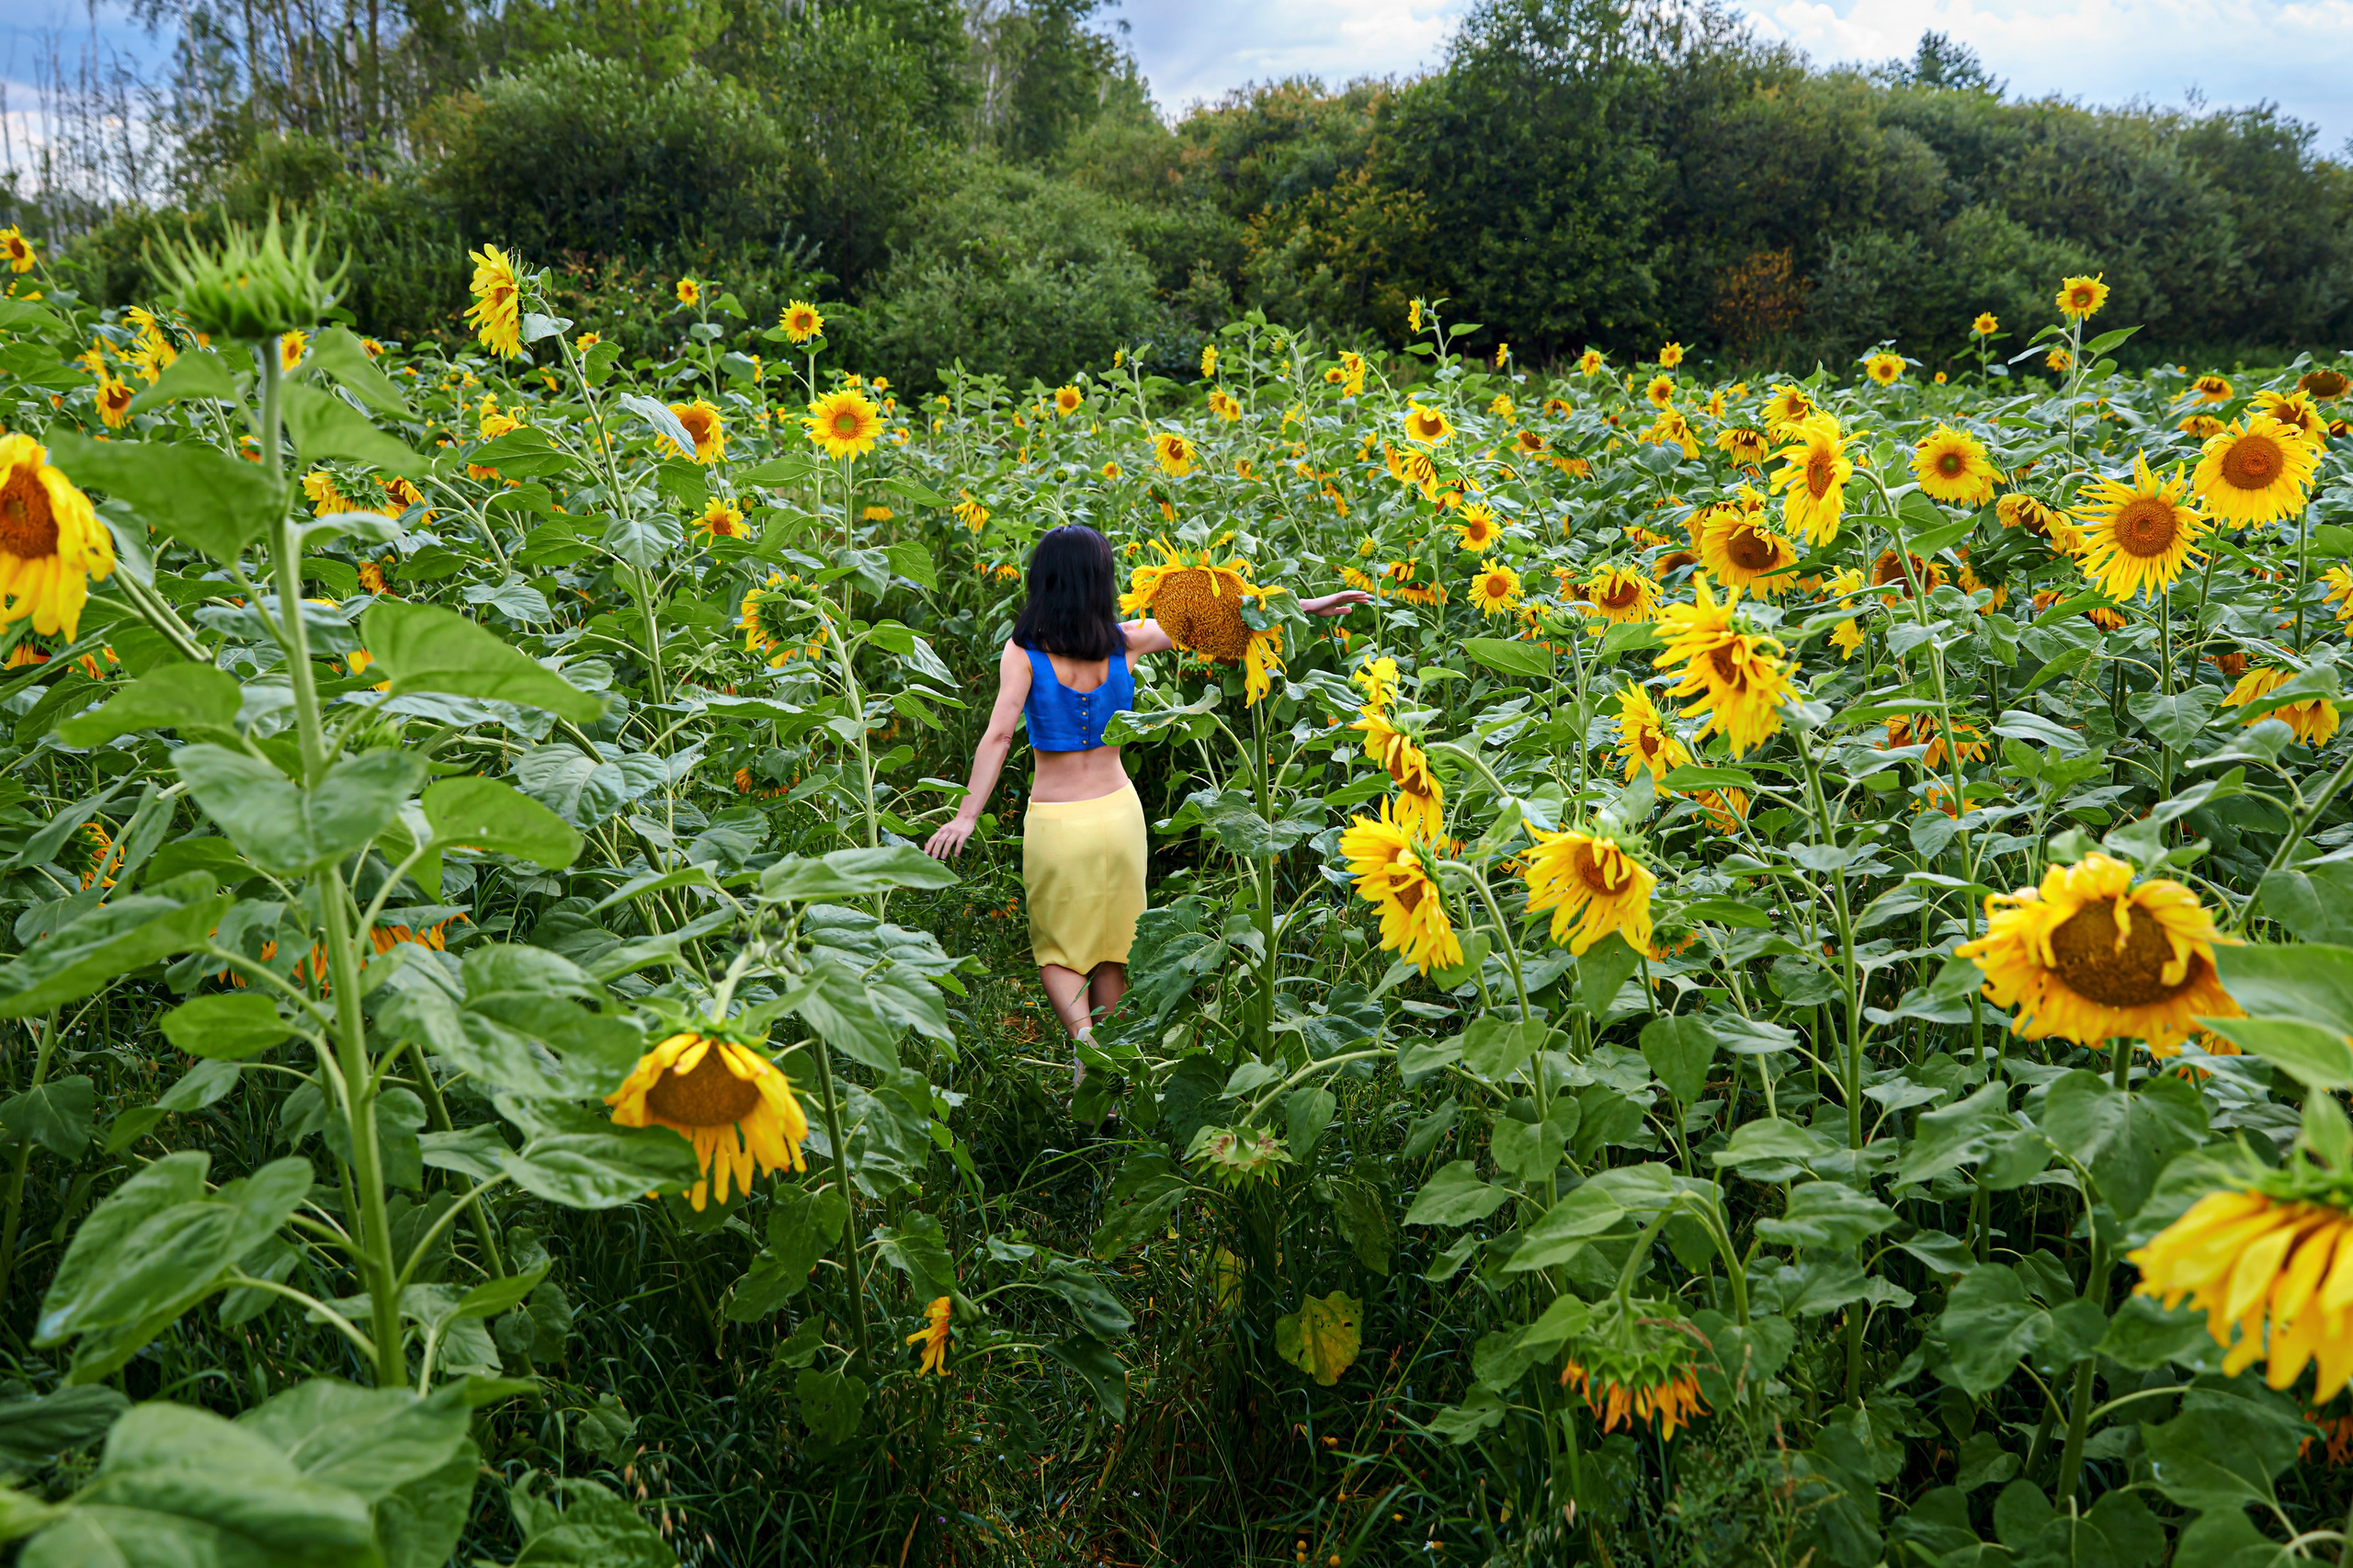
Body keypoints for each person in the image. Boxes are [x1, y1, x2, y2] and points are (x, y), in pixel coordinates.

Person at [924, 524, 1370, 1077]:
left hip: (1059, 823)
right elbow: (1220, 619)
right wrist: (1308, 605)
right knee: (1115, 948)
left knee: (1059, 949)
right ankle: (1110, 1077)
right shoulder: (1124, 641)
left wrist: (967, 815)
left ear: (1043, 580)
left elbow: (998, 735)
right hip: (1119, 814)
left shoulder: (1024, 652)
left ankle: (1085, 1041)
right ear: (1100, 582)